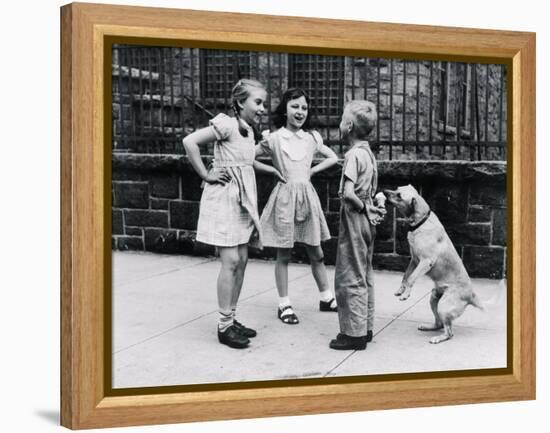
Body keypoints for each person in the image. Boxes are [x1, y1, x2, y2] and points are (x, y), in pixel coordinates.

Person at [182, 79, 284, 349]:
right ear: (240, 102)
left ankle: (231, 317)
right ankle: (224, 325)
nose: (263, 108)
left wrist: (271, 169)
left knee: (242, 259)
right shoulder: (226, 123)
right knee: (230, 262)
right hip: (224, 197)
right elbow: (190, 141)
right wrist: (206, 173)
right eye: (258, 102)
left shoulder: (248, 130)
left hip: (243, 201)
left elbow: (246, 161)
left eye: (264, 103)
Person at [256, 88, 339, 325]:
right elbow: (248, 158)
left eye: (304, 107)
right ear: (284, 109)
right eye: (294, 106)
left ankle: (326, 297)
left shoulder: (311, 138)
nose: (300, 111)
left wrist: (312, 170)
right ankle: (284, 304)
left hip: (307, 199)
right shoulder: (273, 138)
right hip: (284, 199)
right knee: (284, 253)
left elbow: (332, 157)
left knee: (317, 252)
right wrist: (271, 170)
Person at [329, 100, 386, 351]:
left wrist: (362, 207)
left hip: (355, 215)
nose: (340, 123)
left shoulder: (353, 155)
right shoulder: (368, 153)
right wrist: (370, 208)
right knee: (365, 271)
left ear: (348, 126)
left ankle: (353, 334)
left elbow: (350, 194)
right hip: (368, 220)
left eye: (342, 119)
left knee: (349, 273)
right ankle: (366, 327)